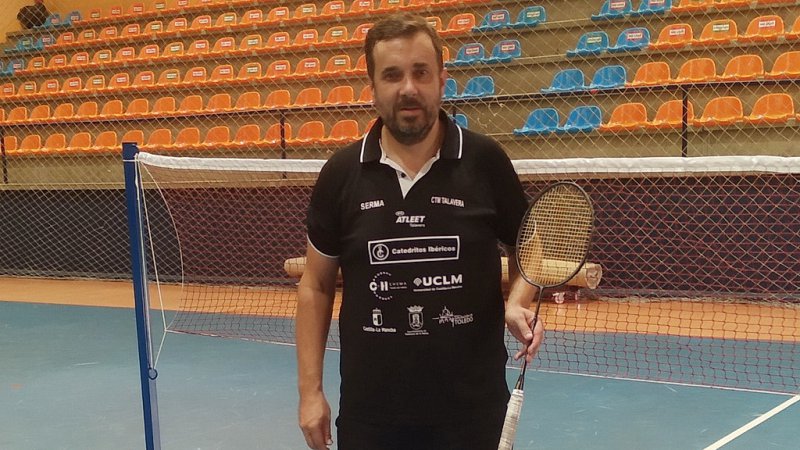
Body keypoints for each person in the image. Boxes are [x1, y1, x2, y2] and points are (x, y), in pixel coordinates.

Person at [296, 13, 544, 450]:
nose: (408, 88)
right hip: (372, 416)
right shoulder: (340, 174)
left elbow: (531, 248)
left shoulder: (486, 161)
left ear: (442, 80)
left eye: (421, 72)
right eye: (392, 75)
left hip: (472, 414)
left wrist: (518, 302)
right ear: (373, 88)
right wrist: (309, 392)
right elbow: (315, 286)